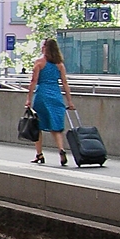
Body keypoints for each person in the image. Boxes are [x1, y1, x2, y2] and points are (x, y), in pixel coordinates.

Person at [24, 38, 76, 166]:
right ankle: (61, 149)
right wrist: (69, 101)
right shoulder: (60, 65)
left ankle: (39, 154)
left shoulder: (39, 63)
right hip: (56, 96)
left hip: (42, 96)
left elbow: (33, 82)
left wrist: (29, 99)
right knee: (56, 127)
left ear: (45, 48)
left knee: (37, 125)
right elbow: (65, 83)